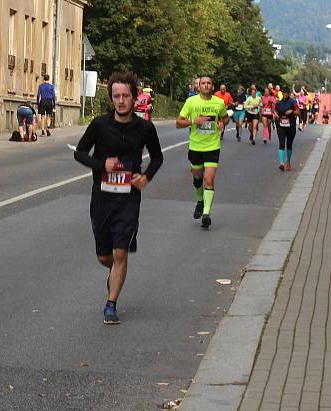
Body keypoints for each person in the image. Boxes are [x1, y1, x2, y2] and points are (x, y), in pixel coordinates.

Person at [74, 72, 163, 325]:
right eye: (116, 96)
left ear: (134, 98)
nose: (121, 101)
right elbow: (80, 153)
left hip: (128, 199)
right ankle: (115, 272)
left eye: (126, 96)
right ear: (111, 98)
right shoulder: (100, 125)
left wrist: (146, 177)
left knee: (120, 252)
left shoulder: (144, 128)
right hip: (102, 197)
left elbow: (157, 157)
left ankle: (111, 304)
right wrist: (102, 164)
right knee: (105, 256)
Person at [176, 75, 229, 229]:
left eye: (209, 83)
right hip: (195, 147)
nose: (206, 86)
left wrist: (221, 122)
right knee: (198, 179)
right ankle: (200, 200)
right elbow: (178, 123)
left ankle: (206, 214)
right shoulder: (191, 102)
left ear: (213, 87)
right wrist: (194, 121)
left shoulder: (219, 103)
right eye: (203, 83)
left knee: (209, 180)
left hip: (212, 147)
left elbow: (225, 119)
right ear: (199, 86)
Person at [275, 87, 299, 171]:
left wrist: (292, 111)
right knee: (281, 143)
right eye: (283, 92)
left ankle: (288, 161)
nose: (285, 94)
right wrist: (276, 115)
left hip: (291, 125)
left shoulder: (293, 102)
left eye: (286, 93)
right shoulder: (278, 103)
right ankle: (281, 163)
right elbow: (275, 111)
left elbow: (298, 112)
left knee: (289, 144)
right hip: (281, 125)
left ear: (289, 93)